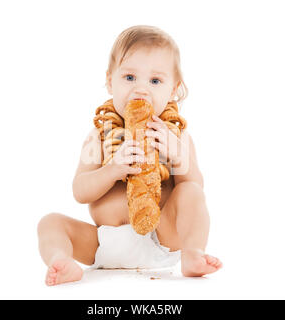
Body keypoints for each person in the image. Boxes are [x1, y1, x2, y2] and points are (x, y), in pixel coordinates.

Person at [37, 25, 223, 286]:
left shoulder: (176, 136)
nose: (141, 90)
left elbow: (194, 189)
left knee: (191, 190)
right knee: (50, 223)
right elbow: (80, 191)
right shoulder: (100, 135)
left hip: (161, 238)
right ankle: (62, 260)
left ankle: (192, 255)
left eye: (155, 81)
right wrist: (112, 169)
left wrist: (178, 157)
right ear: (109, 81)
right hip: (104, 243)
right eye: (129, 77)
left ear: (173, 90)